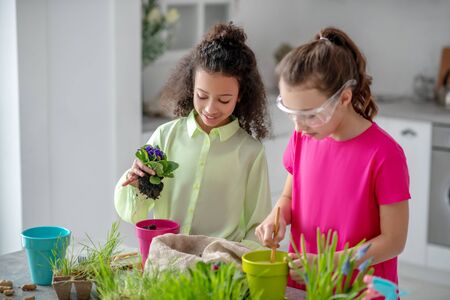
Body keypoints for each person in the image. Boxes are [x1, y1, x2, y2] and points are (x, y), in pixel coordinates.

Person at [255, 27, 410, 288]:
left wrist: (331, 262)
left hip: (361, 290)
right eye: (292, 113)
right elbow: (290, 197)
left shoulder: (384, 154)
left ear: (344, 98)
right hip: (304, 286)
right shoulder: (303, 137)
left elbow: (394, 241)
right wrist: (276, 216)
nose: (299, 125)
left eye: (310, 114)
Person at [115, 22, 272, 248]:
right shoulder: (165, 137)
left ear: (240, 95)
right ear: (191, 87)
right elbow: (135, 215)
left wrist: (229, 262)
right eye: (202, 95)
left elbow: (258, 229)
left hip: (218, 271)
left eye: (224, 100)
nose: (210, 108)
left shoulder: (250, 153)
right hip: (165, 262)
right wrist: (137, 183)